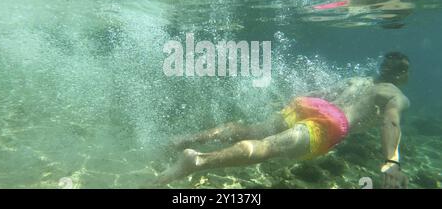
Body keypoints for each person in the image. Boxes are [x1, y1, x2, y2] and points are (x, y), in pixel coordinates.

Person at [157, 52, 411, 189]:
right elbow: (391, 123)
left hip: (309, 105)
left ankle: (183, 139)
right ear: (403, 73)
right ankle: (197, 160)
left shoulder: (358, 80)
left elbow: (322, 95)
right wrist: (391, 162)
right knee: (269, 147)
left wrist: (287, 104)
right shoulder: (394, 94)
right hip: (333, 123)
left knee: (252, 130)